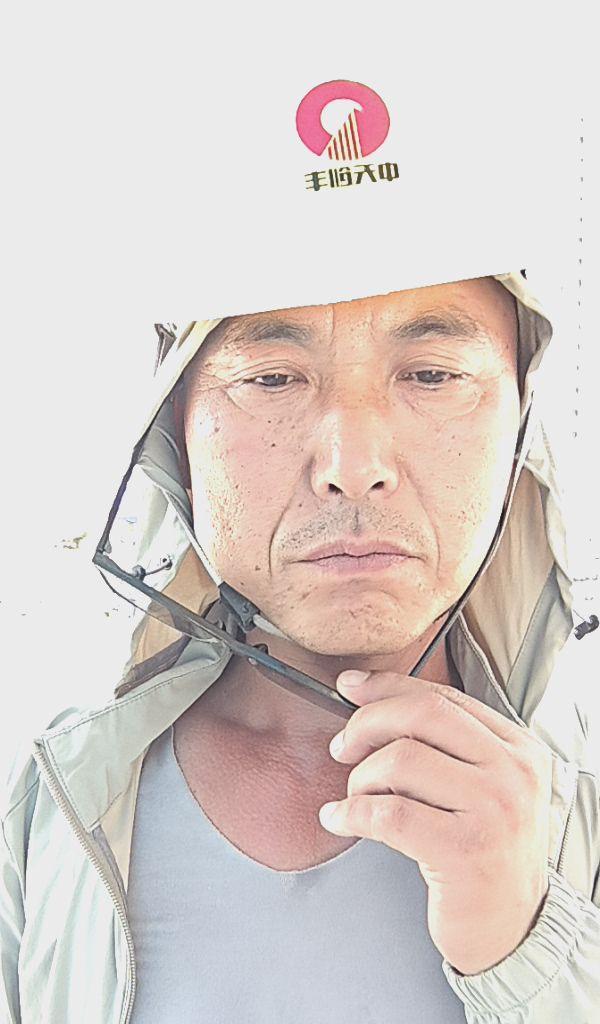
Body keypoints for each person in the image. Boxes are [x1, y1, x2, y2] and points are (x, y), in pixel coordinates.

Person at [1, 271, 599, 1023]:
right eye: (272, 379)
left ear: (520, 428)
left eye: (432, 375)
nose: (354, 467)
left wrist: (533, 952)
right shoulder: (46, 802)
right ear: (174, 436)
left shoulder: (585, 797)